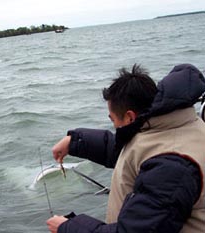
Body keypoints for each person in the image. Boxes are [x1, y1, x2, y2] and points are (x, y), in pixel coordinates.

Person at [46, 64, 205, 233]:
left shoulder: (171, 166)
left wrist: (67, 227)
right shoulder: (172, 127)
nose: (114, 125)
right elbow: (133, 154)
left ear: (130, 117)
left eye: (113, 119)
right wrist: (76, 141)